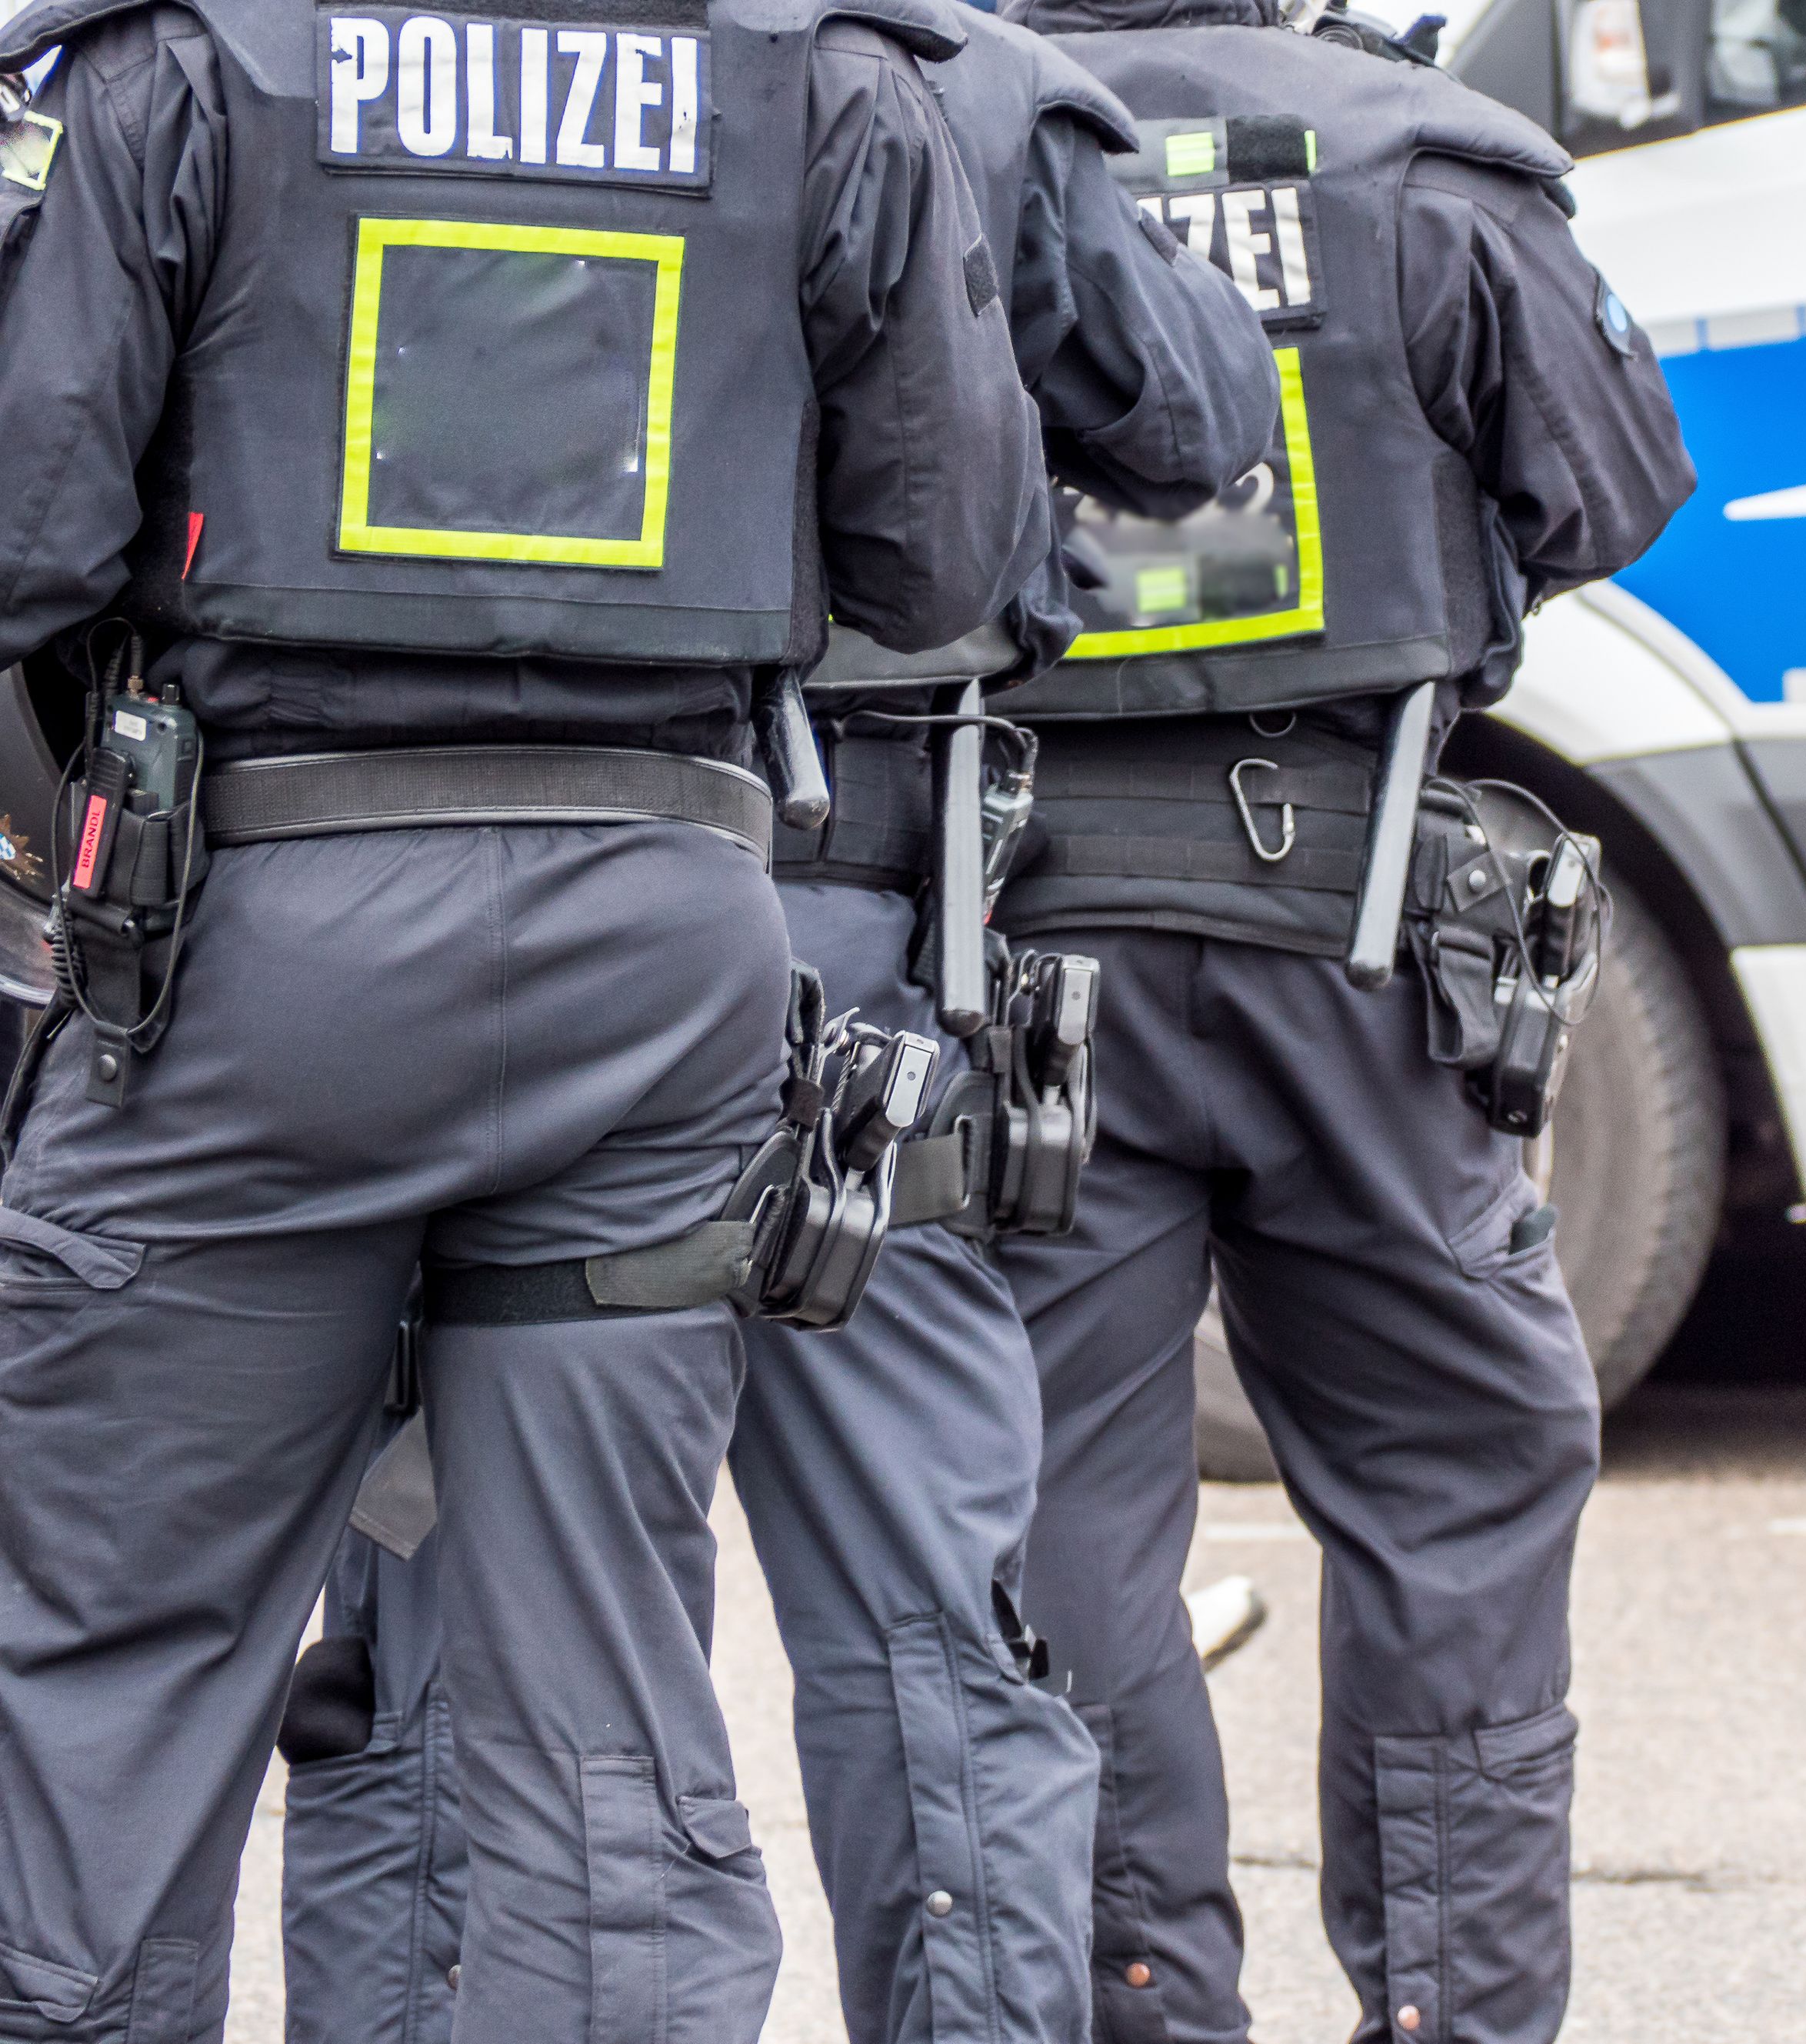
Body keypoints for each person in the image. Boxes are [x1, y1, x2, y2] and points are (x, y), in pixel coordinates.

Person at [0, 0, 1038, 2029]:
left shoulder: (180, 63)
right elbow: (945, 559)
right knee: (604, 1719)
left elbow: (27, 533)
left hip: (254, 948)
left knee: (117, 1684)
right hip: (660, 950)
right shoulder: (825, 76)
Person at [267, 14, 1283, 2044]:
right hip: (832, 937)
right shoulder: (933, 79)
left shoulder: (303, 51)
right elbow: (1194, 419)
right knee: (925, 1614)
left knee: (437, 1608)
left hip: (405, 914)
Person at [984, 2, 1693, 2037]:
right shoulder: (1422, 156)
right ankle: (1454, 2011)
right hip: (1365, 940)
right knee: (1460, 1488)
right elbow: (1611, 487)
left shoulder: (941, 130)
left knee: (1056, 1520)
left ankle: (1140, 2005)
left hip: (1033, 945)